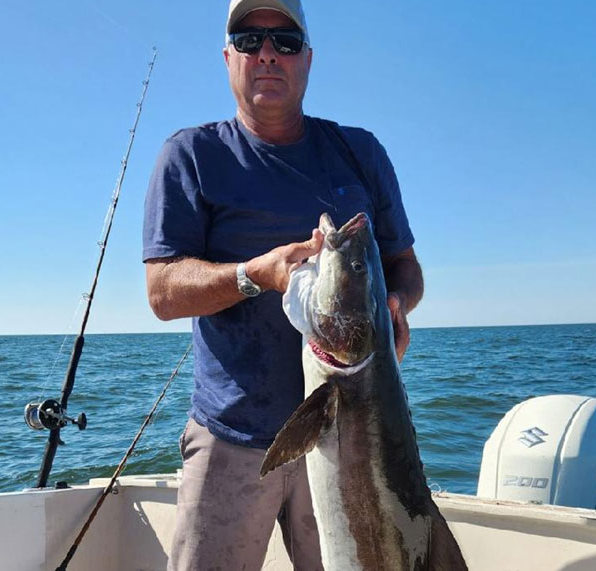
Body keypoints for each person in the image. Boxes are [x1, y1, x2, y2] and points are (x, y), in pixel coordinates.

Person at [142, 0, 424, 569]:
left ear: (308, 59)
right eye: (249, 41)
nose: (267, 53)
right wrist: (254, 275)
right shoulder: (191, 155)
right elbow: (163, 292)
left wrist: (392, 308)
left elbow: (405, 269)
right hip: (231, 434)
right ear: (228, 58)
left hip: (358, 428)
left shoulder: (360, 152)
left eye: (285, 41)